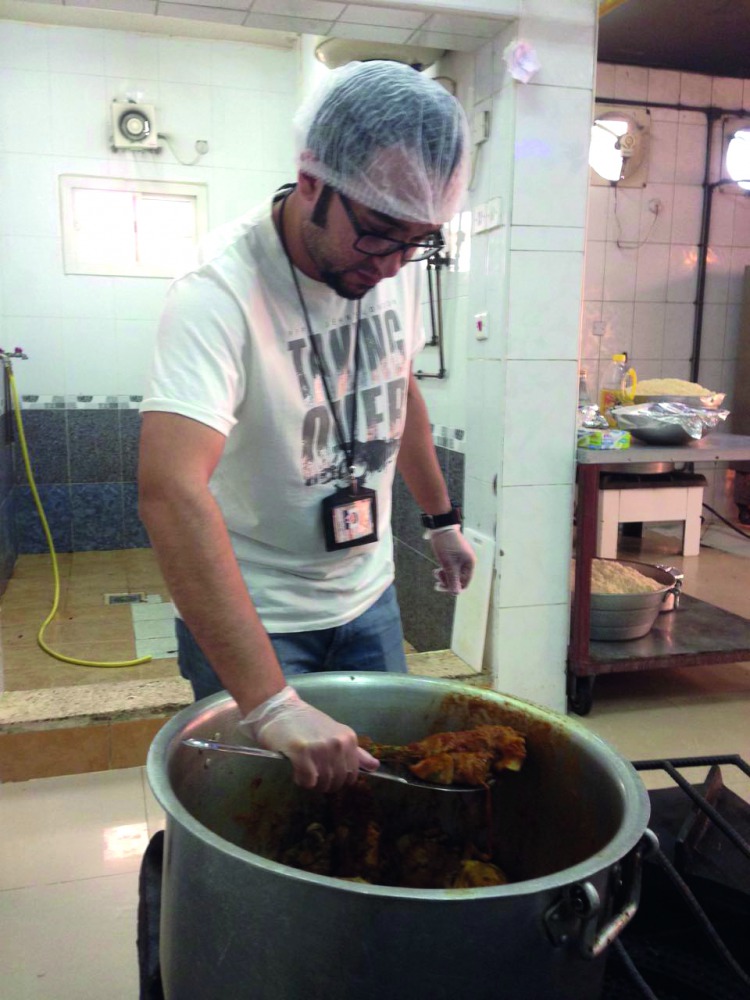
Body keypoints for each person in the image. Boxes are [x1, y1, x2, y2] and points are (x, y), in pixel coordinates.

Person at [138, 60, 476, 794]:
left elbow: (400, 384)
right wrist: (269, 702)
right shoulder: (217, 291)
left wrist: (442, 517)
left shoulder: (396, 262)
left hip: (369, 599)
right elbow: (170, 490)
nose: (390, 267)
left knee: (384, 800)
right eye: (380, 236)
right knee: (262, 821)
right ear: (313, 181)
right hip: (257, 616)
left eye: (415, 242)